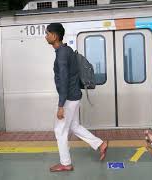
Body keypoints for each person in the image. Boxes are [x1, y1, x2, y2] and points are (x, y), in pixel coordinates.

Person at [45, 23, 108, 172]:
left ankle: (65, 163)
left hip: (69, 98)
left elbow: (65, 79)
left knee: (59, 130)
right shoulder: (67, 50)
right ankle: (100, 144)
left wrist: (61, 106)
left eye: (47, 33)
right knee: (74, 126)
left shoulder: (61, 54)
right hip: (74, 95)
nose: (46, 36)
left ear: (54, 36)